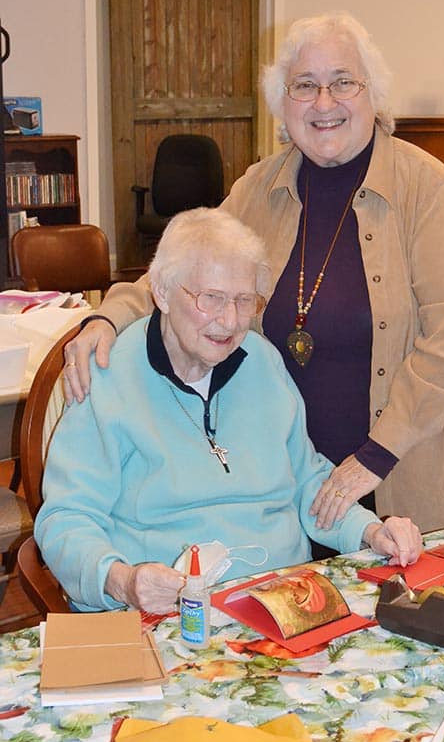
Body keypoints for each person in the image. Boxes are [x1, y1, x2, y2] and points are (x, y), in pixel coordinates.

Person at [62, 11, 444, 539]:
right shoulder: (261, 186)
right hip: (294, 476)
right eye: (304, 85)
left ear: (372, 92)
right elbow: (182, 269)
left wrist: (375, 455)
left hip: (404, 466)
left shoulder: (425, 186)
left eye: (342, 82)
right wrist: (108, 318)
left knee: (400, 584)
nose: (323, 103)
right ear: (283, 100)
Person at [35, 208, 422, 614]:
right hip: (165, 611)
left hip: (284, 600)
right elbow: (66, 518)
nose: (231, 321)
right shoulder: (108, 376)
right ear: (162, 293)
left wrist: (370, 532)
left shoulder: (263, 363)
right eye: (212, 299)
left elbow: (306, 481)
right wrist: (122, 581)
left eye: (244, 301)